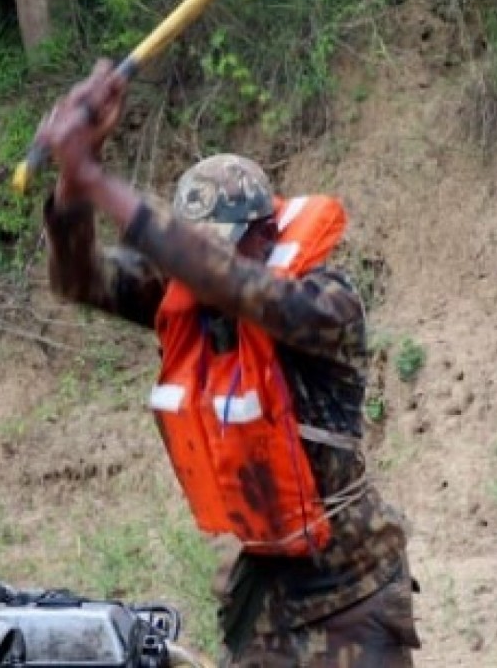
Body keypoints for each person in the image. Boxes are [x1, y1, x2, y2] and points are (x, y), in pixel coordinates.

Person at [37, 61, 421, 667]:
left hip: (352, 594)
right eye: (199, 243)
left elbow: (237, 286)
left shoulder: (325, 304)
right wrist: (72, 179)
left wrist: (98, 179)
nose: (202, 261)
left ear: (267, 232)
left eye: (224, 241)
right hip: (264, 598)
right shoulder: (191, 304)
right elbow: (78, 278)